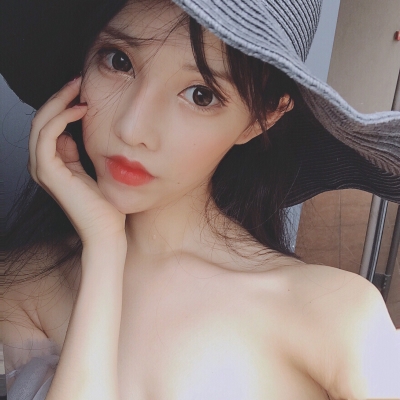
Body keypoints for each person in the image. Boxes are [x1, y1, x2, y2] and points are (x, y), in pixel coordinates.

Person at [2, 0, 400, 399]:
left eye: (201, 95)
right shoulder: (21, 288)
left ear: (261, 118)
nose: (133, 128)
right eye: (118, 62)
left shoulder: (334, 314)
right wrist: (103, 252)